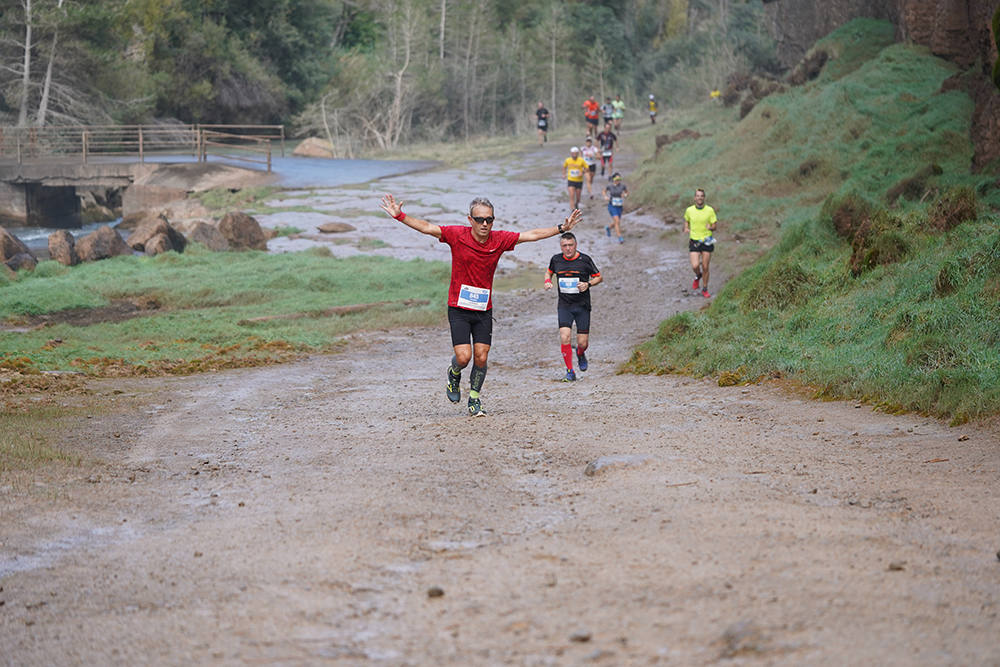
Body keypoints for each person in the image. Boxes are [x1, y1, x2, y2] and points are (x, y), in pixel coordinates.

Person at [379, 194, 583, 416]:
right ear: (470, 220)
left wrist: (561, 228)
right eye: (479, 219)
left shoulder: (499, 239)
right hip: (458, 307)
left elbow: (531, 235)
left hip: (483, 310)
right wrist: (400, 216)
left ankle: (474, 398)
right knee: (464, 357)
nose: (485, 224)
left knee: (482, 356)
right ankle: (454, 373)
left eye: (489, 219)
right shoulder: (457, 235)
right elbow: (428, 228)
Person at [544, 232, 602, 382]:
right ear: (561, 247)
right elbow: (548, 272)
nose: (568, 249)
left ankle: (580, 353)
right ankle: (570, 371)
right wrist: (547, 281)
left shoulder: (585, 260)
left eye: (571, 245)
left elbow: (599, 277)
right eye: (565, 246)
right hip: (565, 306)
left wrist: (588, 284)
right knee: (565, 337)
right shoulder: (556, 260)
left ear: (576, 245)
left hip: (582, 306)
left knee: (582, 343)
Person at [683, 188, 718, 298]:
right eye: (697, 196)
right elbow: (686, 220)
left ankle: (705, 288)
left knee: (706, 266)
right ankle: (698, 275)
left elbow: (715, 226)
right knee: (695, 265)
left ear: (704, 198)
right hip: (694, 241)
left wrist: (711, 227)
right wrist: (686, 228)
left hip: (707, 241)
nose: (699, 198)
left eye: (701, 196)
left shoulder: (710, 210)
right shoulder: (689, 210)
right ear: (695, 198)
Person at [603, 172, 628, 243]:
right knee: (617, 221)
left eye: (619, 179)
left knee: (616, 222)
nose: (618, 180)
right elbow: (604, 191)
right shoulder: (610, 186)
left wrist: (625, 195)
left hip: (619, 206)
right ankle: (620, 237)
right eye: (616, 179)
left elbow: (626, 192)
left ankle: (608, 228)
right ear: (613, 179)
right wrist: (605, 196)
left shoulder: (622, 186)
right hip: (612, 206)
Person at [562, 146, 587, 211]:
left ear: (578, 153)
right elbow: (564, 167)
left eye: (576, 153)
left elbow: (587, 168)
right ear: (571, 153)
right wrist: (564, 174)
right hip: (571, 180)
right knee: (572, 195)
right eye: (573, 153)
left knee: (578, 197)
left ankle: (576, 203)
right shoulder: (568, 160)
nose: (574, 155)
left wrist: (582, 172)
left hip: (579, 180)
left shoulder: (581, 160)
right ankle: (572, 208)